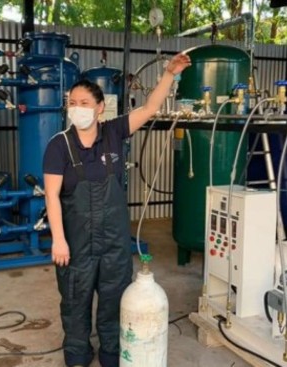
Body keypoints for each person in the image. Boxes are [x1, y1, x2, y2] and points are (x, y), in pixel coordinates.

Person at [43, 53, 191, 367]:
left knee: (113, 301)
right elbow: (52, 196)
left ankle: (111, 353)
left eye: (84, 103)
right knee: (74, 303)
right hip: (77, 244)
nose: (77, 108)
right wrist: (58, 239)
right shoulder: (59, 145)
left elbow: (150, 109)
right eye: (72, 102)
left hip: (113, 243)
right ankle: (77, 353)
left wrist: (168, 74)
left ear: (99, 107)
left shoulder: (113, 133)